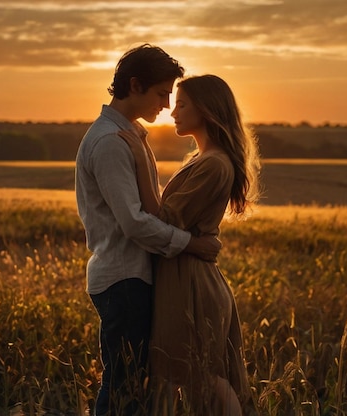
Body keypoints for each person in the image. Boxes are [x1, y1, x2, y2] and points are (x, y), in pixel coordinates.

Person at [75, 44, 222, 416]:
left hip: (131, 277)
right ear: (135, 85)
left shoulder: (130, 136)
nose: (167, 103)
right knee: (123, 387)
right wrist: (193, 244)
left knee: (133, 386)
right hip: (124, 279)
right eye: (161, 93)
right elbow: (135, 222)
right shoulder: (111, 142)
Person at [118, 74, 260, 415]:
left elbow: (163, 219)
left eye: (181, 104)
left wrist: (140, 158)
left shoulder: (213, 163)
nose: (173, 112)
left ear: (206, 109)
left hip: (193, 284)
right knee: (182, 376)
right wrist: (197, 243)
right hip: (183, 276)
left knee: (205, 376)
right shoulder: (202, 158)